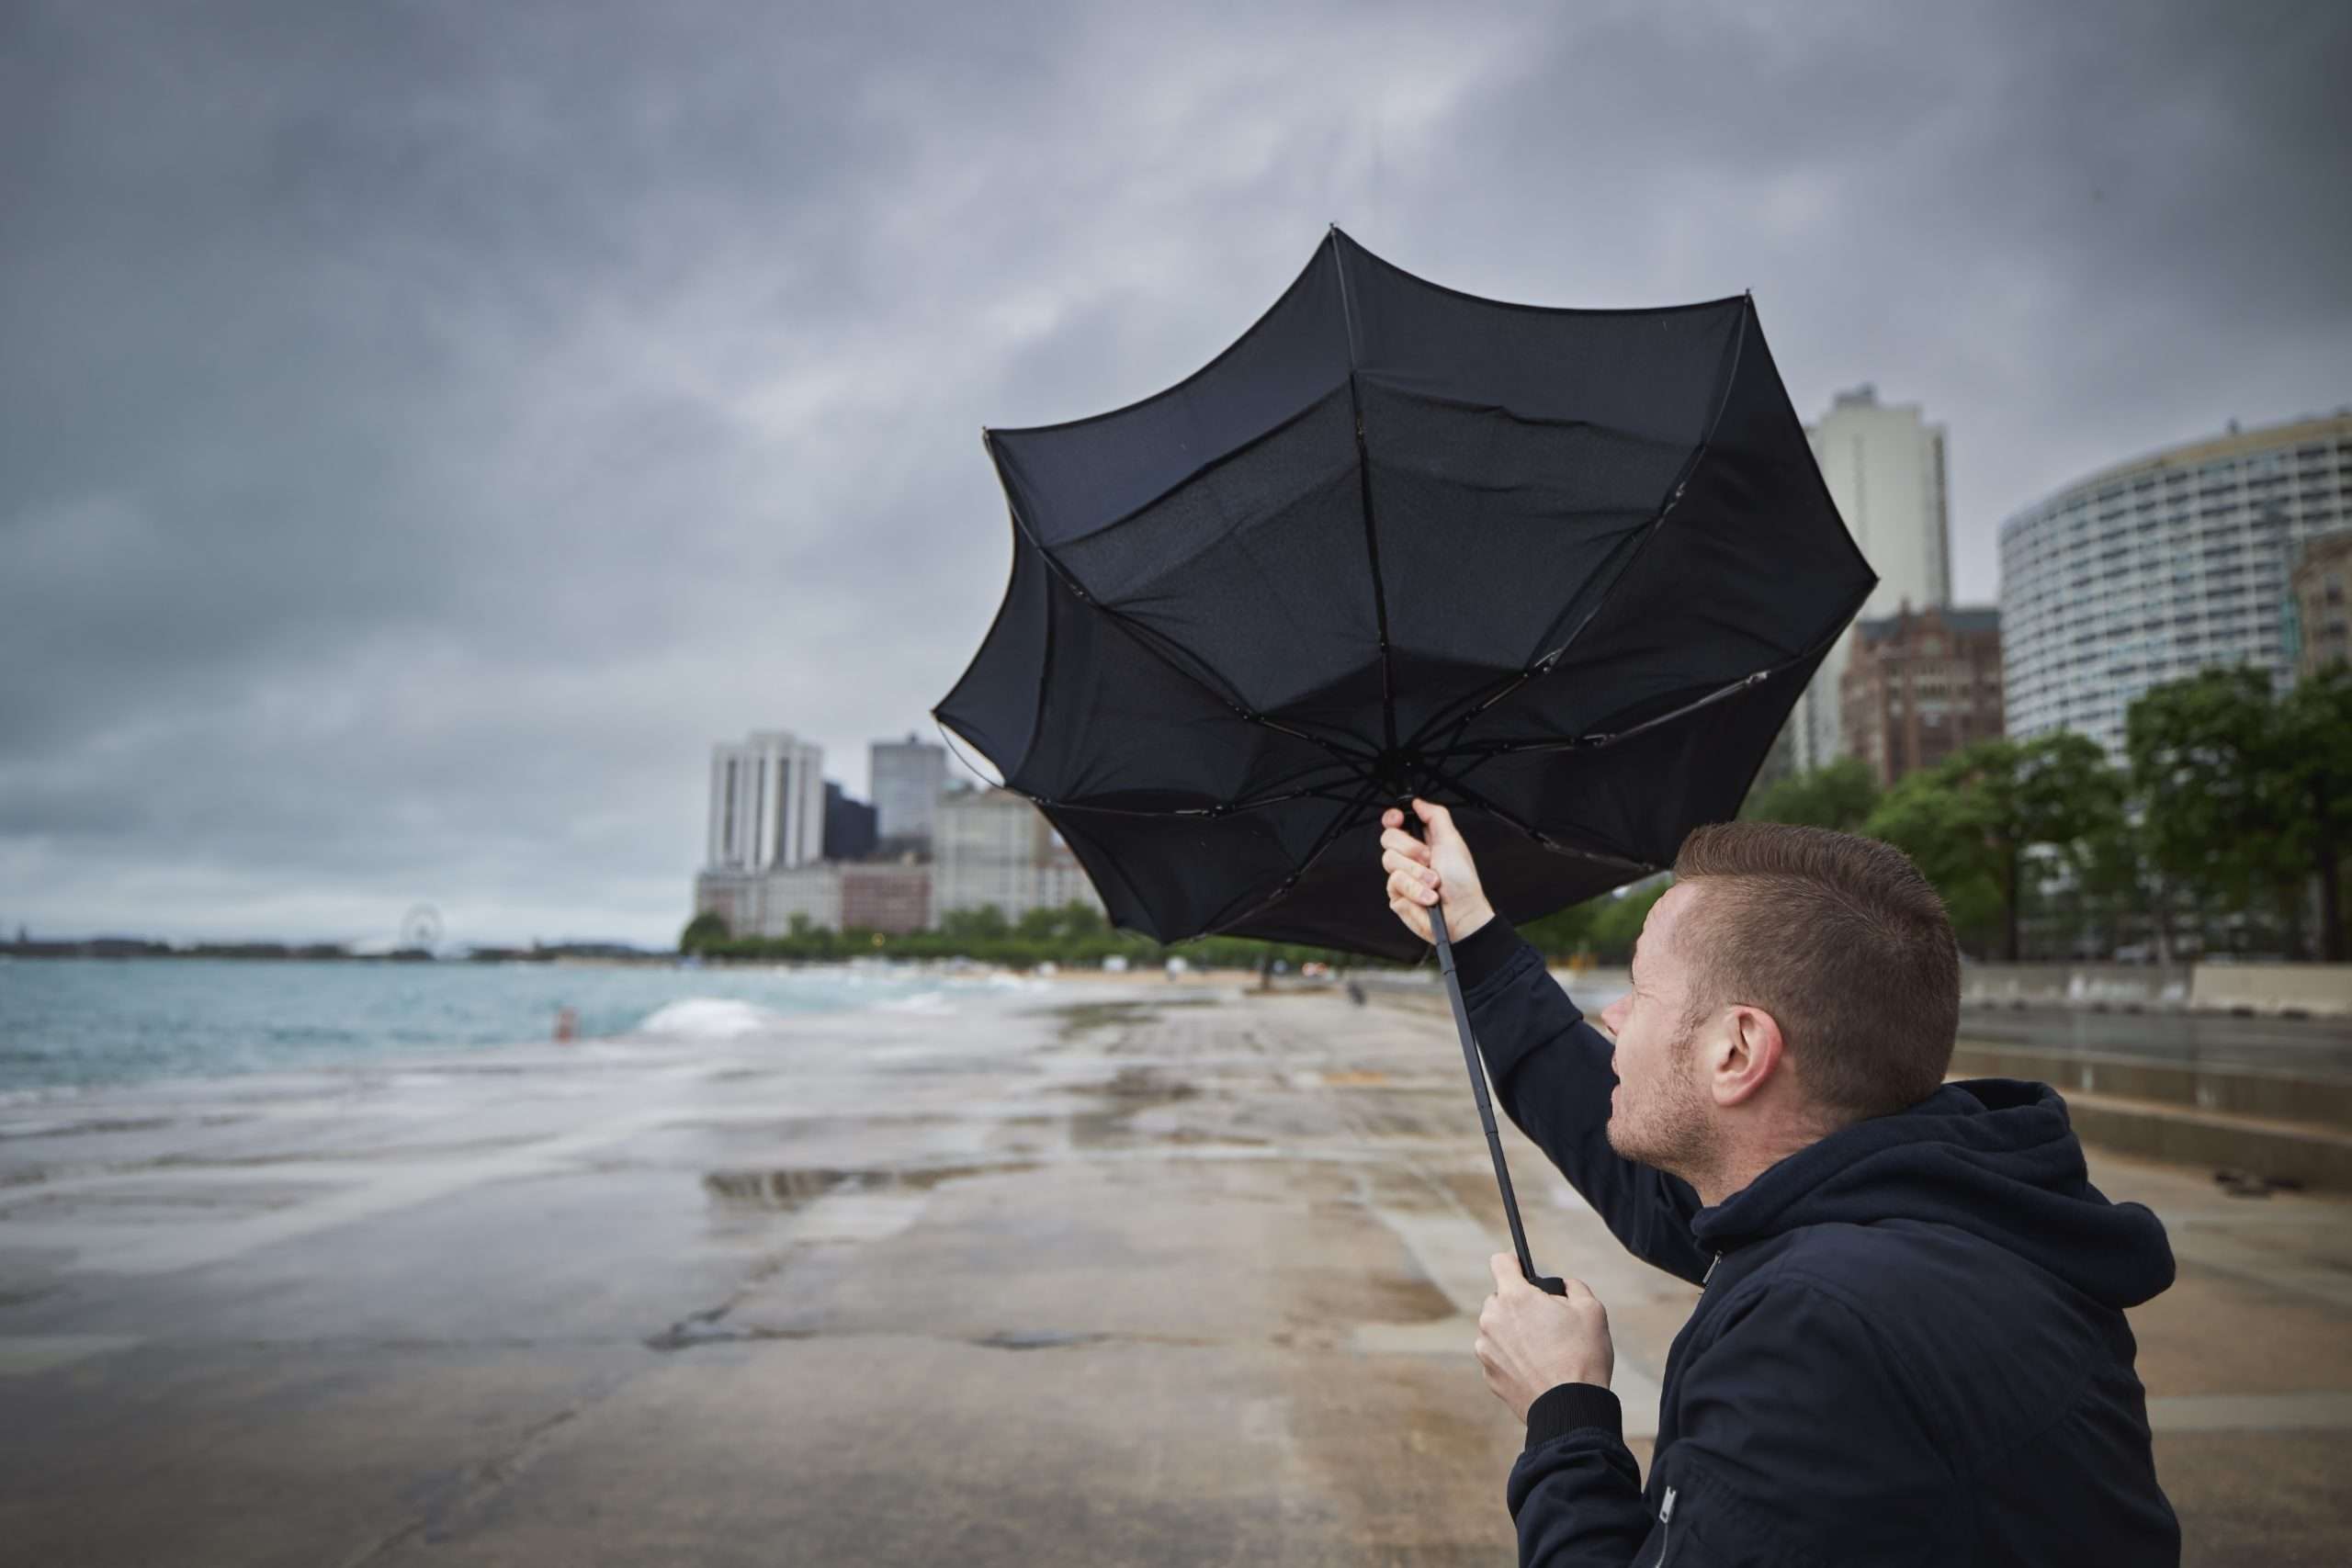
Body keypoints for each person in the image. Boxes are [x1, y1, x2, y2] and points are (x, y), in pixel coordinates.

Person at [1378, 798, 2179, 1566]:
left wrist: (1564, 1410)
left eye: (1642, 990)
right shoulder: (1921, 1216)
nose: (1614, 1016)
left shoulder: (1821, 1333)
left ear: (1737, 1051)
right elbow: (1644, 1177)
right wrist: (1475, 934)